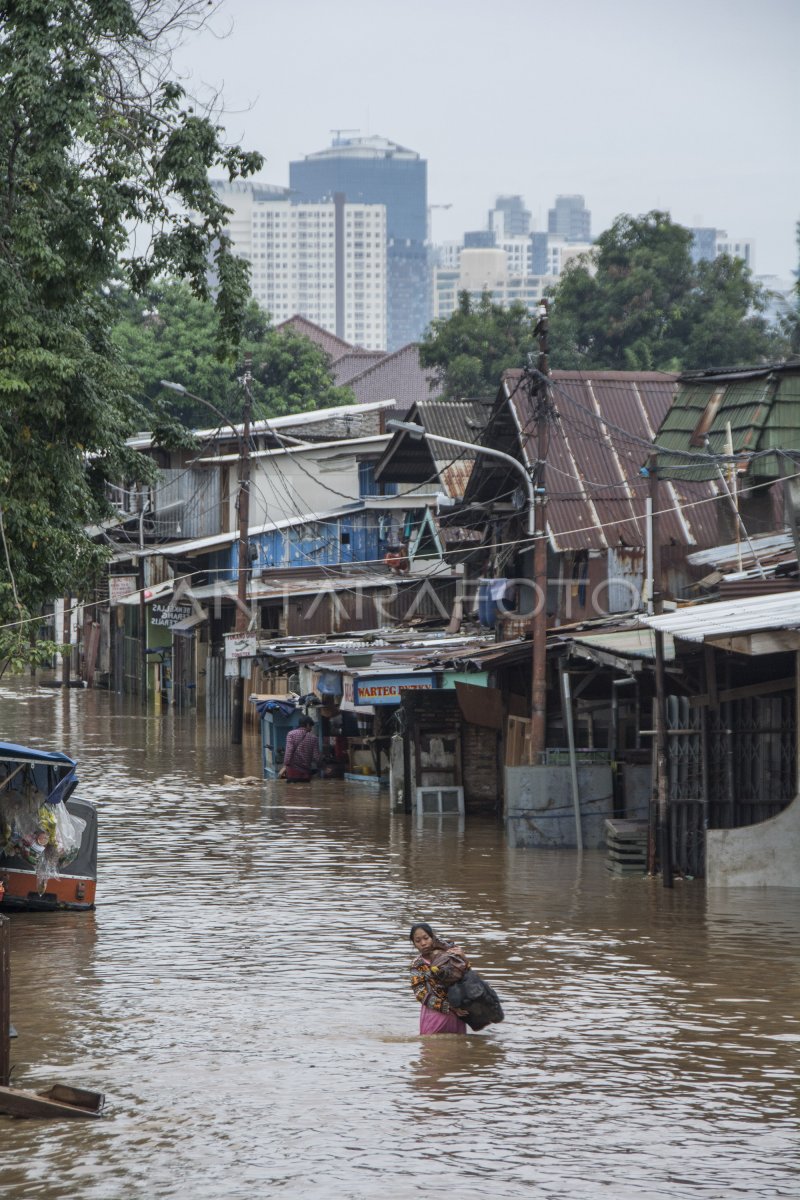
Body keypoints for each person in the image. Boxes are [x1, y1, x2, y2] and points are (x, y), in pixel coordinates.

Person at [409, 922, 470, 1035]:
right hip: (435, 1014)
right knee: (433, 1050)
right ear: (414, 944)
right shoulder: (417, 964)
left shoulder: (449, 955)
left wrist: (464, 958)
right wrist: (448, 1007)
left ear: (433, 937)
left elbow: (468, 977)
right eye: (418, 941)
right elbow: (420, 994)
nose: (423, 943)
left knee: (459, 1049)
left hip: (458, 1013)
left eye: (426, 938)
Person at [279, 717, 320, 783]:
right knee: (305, 791)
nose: (311, 729)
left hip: (293, 772)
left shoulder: (291, 734)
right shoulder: (314, 738)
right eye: (311, 726)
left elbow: (289, 752)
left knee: (292, 791)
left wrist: (285, 765)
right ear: (307, 725)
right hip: (306, 773)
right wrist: (323, 767)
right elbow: (316, 757)